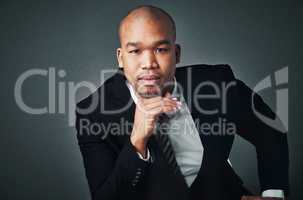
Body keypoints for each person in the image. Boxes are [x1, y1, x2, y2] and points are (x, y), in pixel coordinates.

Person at [75, 5, 289, 200]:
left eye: (160, 49)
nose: (148, 63)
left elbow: (269, 129)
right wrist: (137, 141)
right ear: (121, 58)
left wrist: (274, 194)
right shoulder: (93, 113)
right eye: (135, 51)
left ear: (176, 54)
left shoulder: (217, 83)